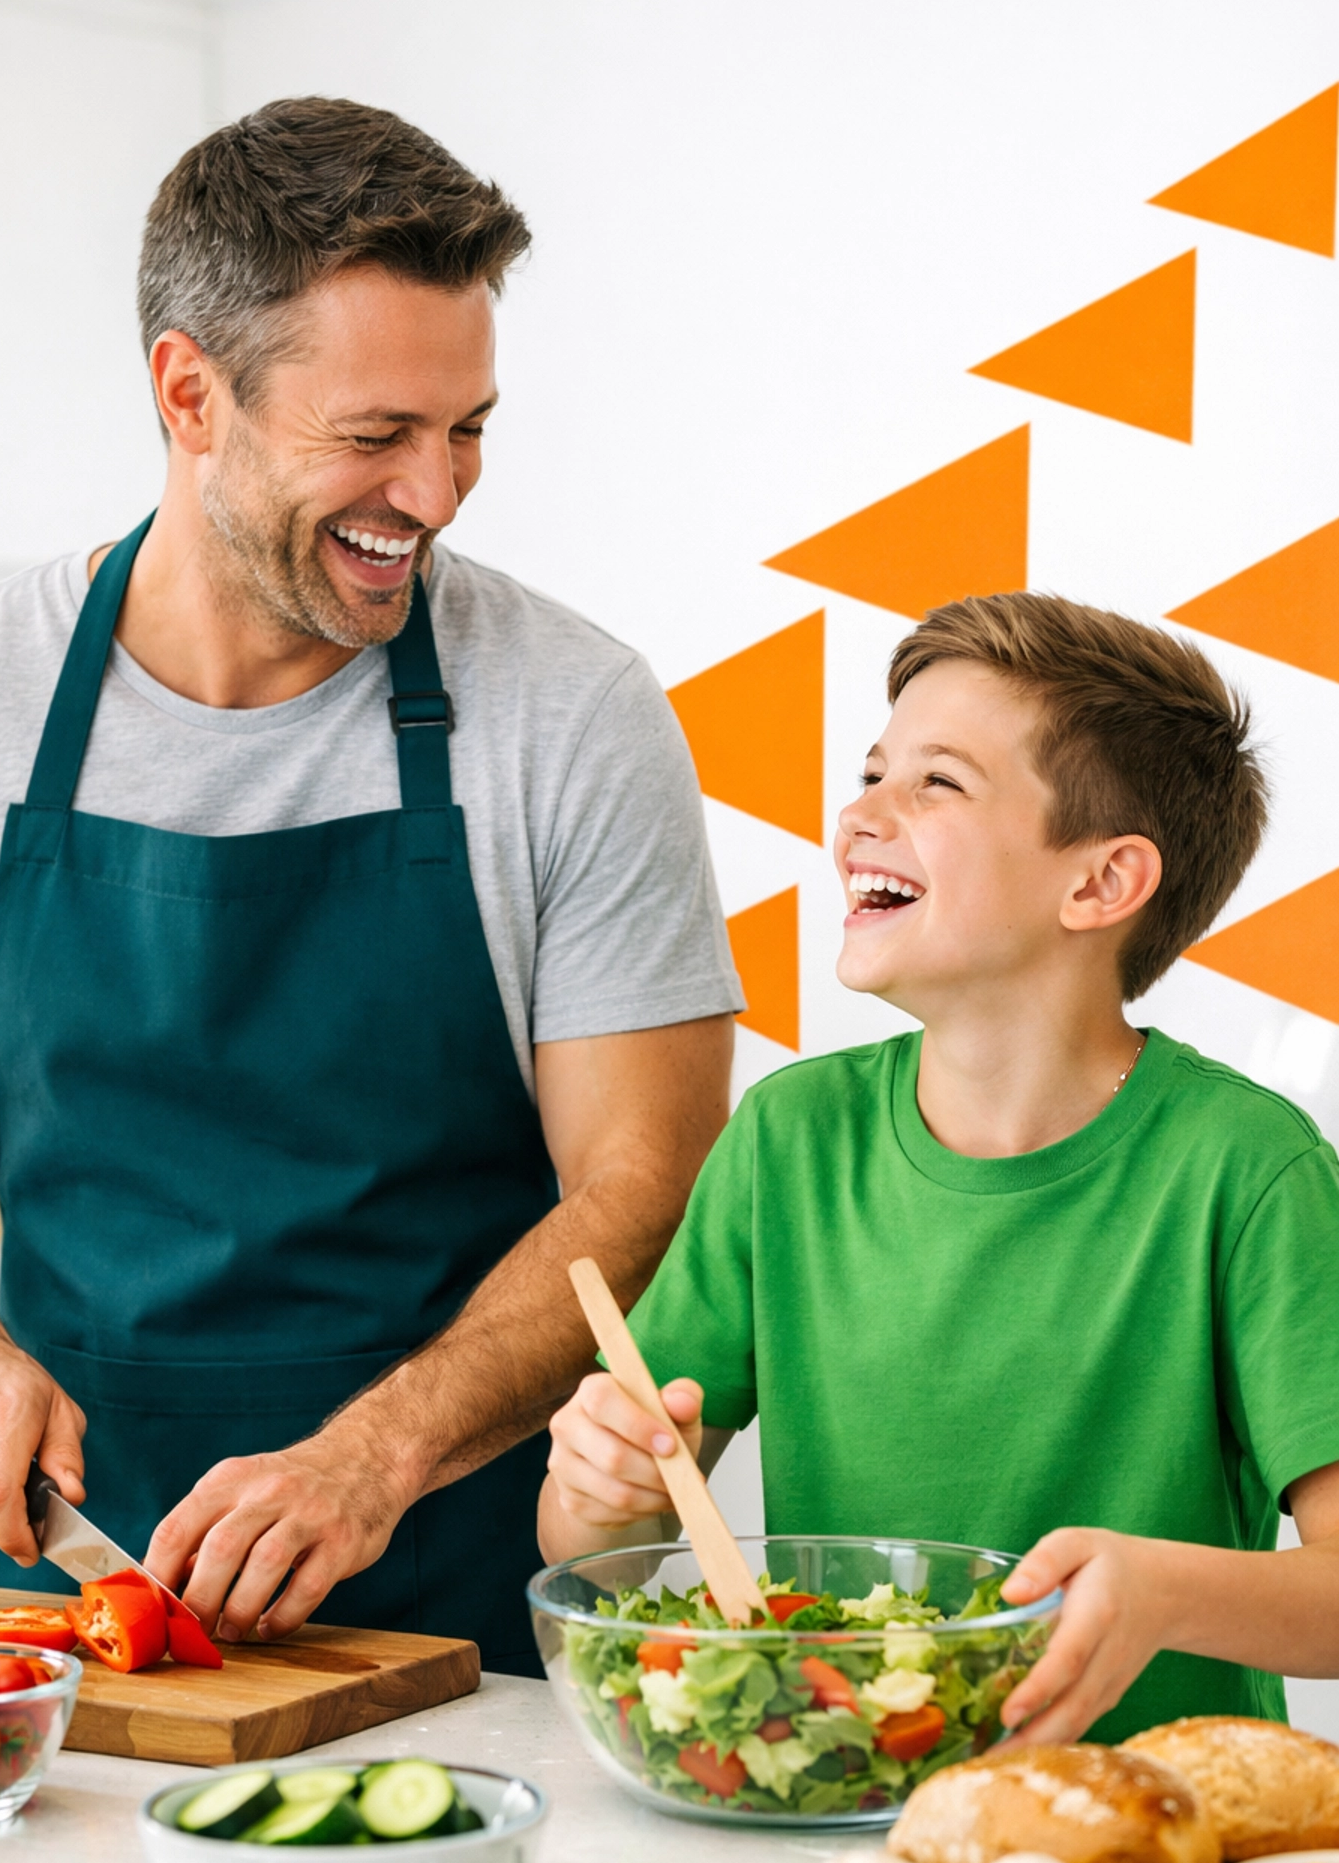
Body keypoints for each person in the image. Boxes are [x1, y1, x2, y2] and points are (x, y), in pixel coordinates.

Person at [0, 97, 742, 1675]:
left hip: (451, 1589)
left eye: (469, 428)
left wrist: (377, 1457)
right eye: (375, 437)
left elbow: (645, 1187)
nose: (436, 494)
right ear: (191, 393)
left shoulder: (571, 712)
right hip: (57, 1604)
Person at [540, 591, 1339, 1741]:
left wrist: (1162, 1591)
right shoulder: (788, 1137)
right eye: (871, 772)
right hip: (835, 1794)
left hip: (1141, 1811)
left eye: (937, 783)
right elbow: (606, 1551)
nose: (859, 814)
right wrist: (594, 1489)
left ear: (1101, 884)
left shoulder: (1247, 1169)